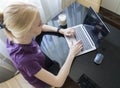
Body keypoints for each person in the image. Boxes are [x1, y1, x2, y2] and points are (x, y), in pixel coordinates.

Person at [0, 2, 83, 88]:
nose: (42, 24)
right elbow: (58, 82)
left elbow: (42, 27)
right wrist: (72, 53)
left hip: (39, 62)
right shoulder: (26, 60)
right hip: (43, 83)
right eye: (39, 23)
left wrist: (61, 30)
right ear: (26, 31)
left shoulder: (15, 35)